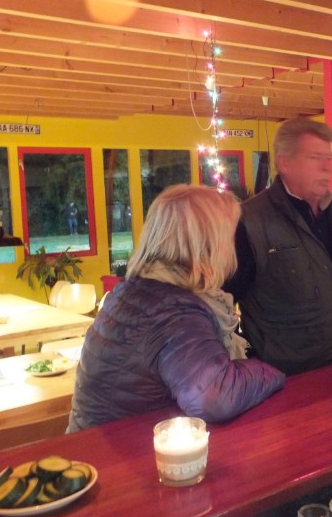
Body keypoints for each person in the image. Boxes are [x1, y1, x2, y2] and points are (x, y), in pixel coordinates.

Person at [68, 184, 285, 432]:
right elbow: (213, 398)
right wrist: (271, 370)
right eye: (229, 235)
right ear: (206, 244)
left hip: (94, 441)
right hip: (127, 450)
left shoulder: (134, 291)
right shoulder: (174, 312)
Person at [225, 117, 332, 376]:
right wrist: (244, 364)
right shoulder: (250, 221)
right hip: (288, 381)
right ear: (285, 163)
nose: (327, 167)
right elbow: (220, 305)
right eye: (315, 158)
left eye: (328, 158)